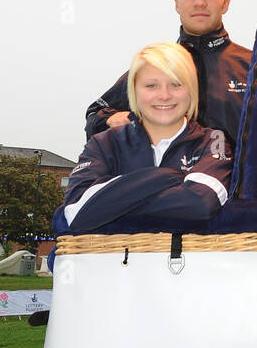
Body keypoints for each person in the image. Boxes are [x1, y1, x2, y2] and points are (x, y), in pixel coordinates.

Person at [85, 0, 257, 144]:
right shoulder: (155, 64)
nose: (200, 2)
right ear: (177, 4)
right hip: (169, 187)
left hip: (240, 187)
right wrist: (122, 120)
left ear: (225, 4)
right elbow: (94, 115)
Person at [57, 42, 233, 235]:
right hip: (117, 264)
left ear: (191, 90)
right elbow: (76, 212)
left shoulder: (214, 140)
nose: (164, 95)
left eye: (176, 84)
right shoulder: (102, 143)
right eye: (151, 85)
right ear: (134, 91)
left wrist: (112, 203)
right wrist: (168, 176)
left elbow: (200, 203)